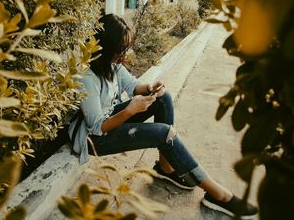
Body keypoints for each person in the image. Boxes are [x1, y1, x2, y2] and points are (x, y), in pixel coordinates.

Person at [68, 14, 258, 219]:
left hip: (109, 120)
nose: (125, 53)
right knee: (164, 133)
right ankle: (218, 195)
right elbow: (98, 127)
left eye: (127, 47)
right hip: (94, 138)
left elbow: (133, 86)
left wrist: (150, 88)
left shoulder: (113, 65)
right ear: (106, 48)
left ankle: (166, 168)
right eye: (121, 49)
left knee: (163, 98)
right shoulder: (87, 78)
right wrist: (131, 110)